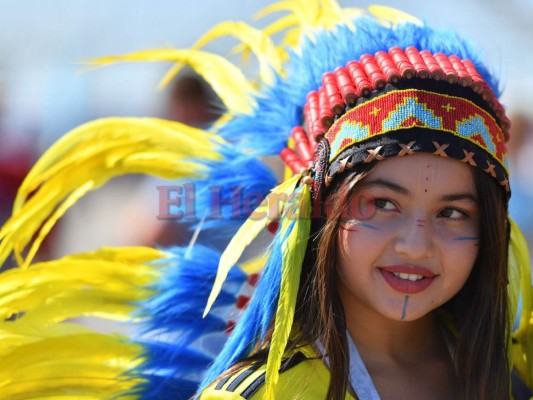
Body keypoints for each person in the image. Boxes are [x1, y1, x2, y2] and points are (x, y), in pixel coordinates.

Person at [0, 2, 531, 400]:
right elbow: (146, 227)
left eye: (452, 212)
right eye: (381, 205)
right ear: (320, 215)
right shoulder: (262, 391)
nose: (417, 243)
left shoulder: (512, 373)